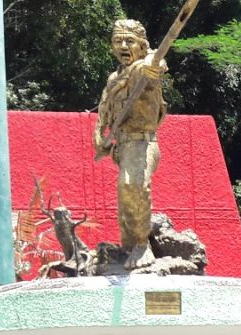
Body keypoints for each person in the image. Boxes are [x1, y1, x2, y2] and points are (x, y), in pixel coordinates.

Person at [94, 19, 171, 269]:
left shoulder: (141, 67)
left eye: (130, 41)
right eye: (118, 41)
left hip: (143, 143)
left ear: (141, 45)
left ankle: (142, 245)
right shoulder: (113, 78)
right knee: (124, 195)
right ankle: (128, 245)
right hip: (122, 146)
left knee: (134, 185)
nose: (123, 46)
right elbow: (104, 110)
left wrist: (152, 62)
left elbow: (153, 65)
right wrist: (99, 136)